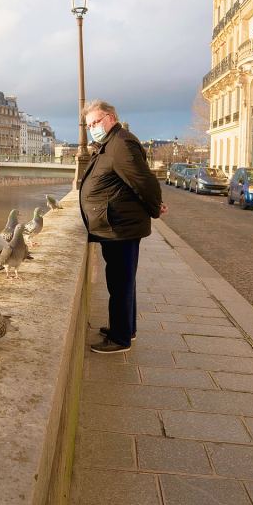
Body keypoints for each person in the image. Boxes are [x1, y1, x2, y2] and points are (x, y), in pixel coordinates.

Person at [79, 100, 168, 354]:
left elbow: (143, 181)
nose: (92, 128)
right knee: (122, 281)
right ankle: (126, 328)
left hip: (120, 227)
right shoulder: (111, 143)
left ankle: (120, 339)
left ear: (110, 117)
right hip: (115, 225)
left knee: (120, 282)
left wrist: (155, 207)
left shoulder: (121, 144)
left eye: (95, 122)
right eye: (88, 126)